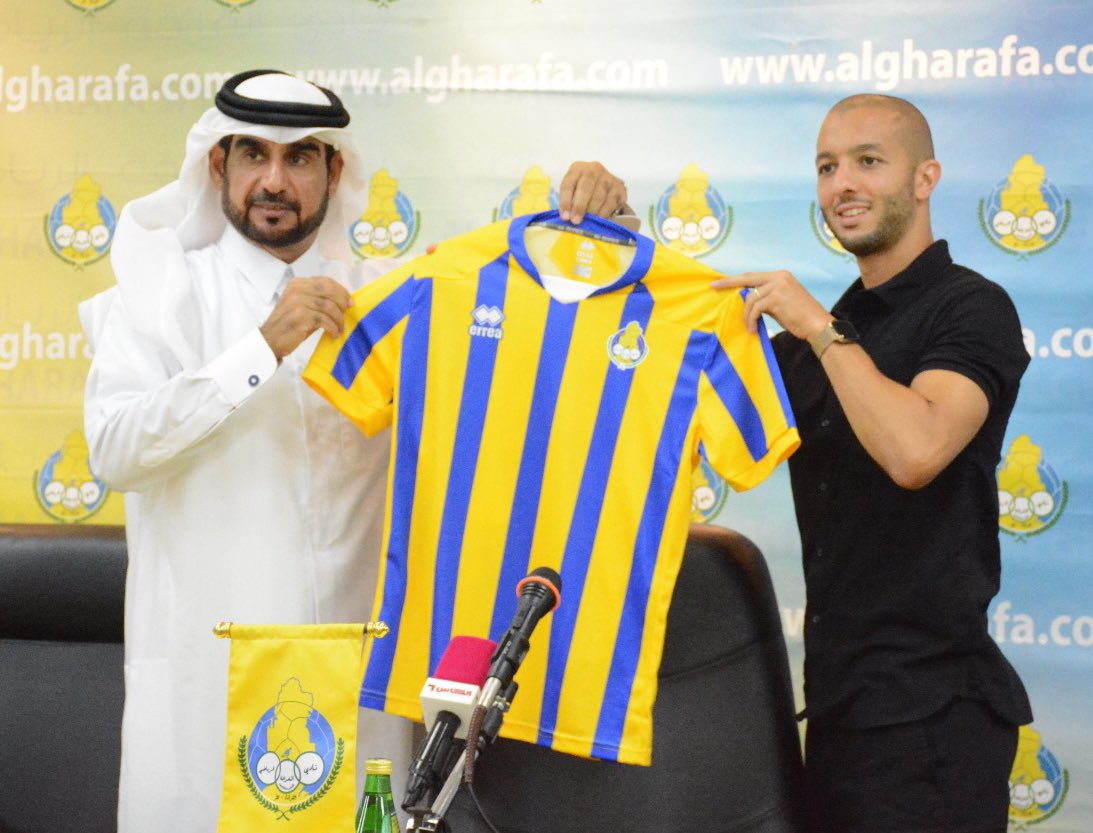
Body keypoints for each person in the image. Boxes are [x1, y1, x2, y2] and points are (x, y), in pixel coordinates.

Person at [80, 69, 631, 833]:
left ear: (334, 172)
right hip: (207, 688)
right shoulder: (162, 293)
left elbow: (547, 370)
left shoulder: (386, 297)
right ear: (218, 166)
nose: (275, 180)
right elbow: (113, 447)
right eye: (254, 156)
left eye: (300, 157)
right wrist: (260, 348)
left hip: (358, 686)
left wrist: (606, 228)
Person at [714, 93, 1032, 832]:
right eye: (826, 167)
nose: (841, 184)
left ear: (925, 179)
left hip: (933, 723)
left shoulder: (971, 308)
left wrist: (819, 329)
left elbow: (915, 450)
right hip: (834, 714)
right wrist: (608, 236)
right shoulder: (816, 337)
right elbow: (664, 405)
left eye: (867, 161)